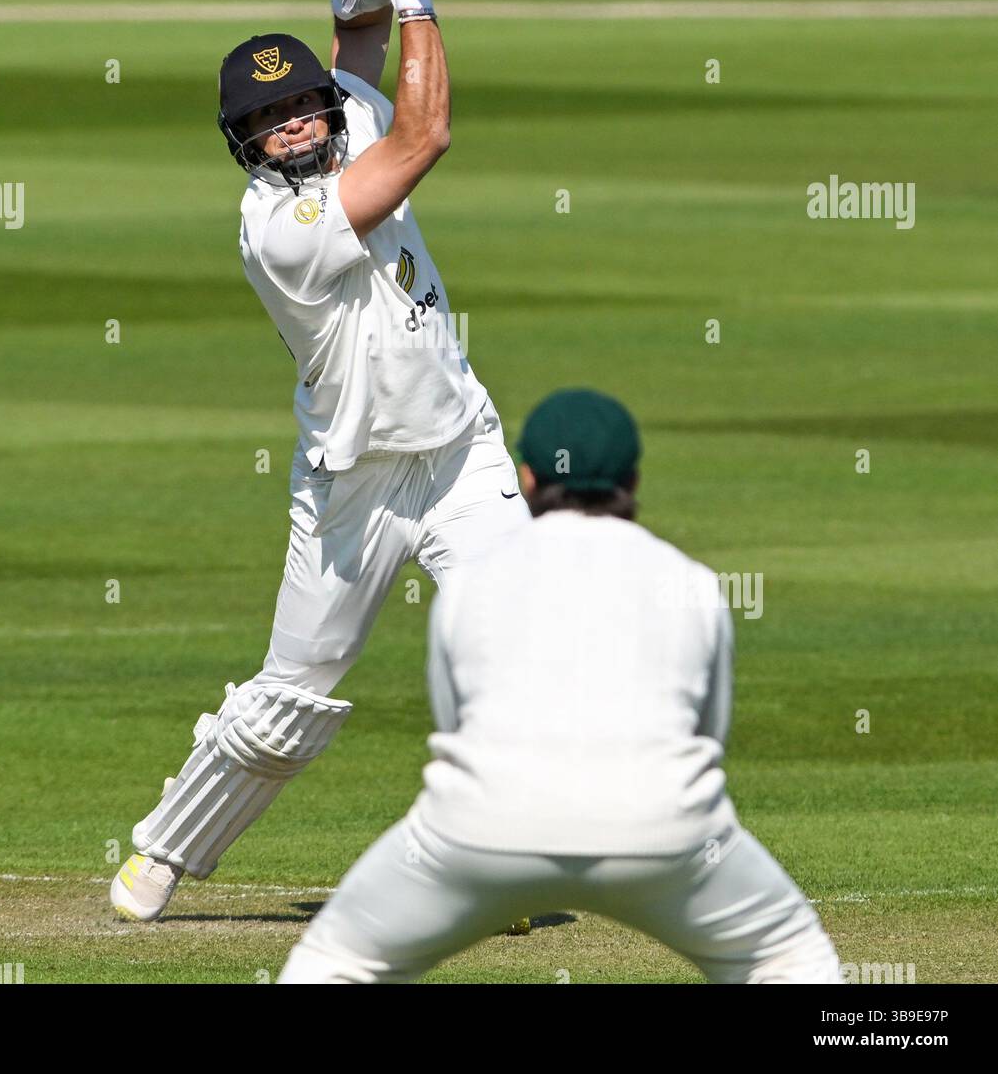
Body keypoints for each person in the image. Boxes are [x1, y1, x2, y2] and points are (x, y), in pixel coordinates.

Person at [111, 0, 529, 920]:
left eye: (300, 105)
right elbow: (426, 133)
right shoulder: (278, 230)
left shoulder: (347, 107)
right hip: (356, 485)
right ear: (242, 143)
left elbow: (352, 56)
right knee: (289, 707)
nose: (292, 124)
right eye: (268, 120)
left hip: (461, 449)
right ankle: (163, 851)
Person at [278, 389, 843, 983]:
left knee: (335, 962)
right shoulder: (693, 582)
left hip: (479, 828)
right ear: (634, 478)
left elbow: (456, 724)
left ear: (527, 478)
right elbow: (710, 734)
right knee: (792, 961)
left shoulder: (471, 585)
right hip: (664, 827)